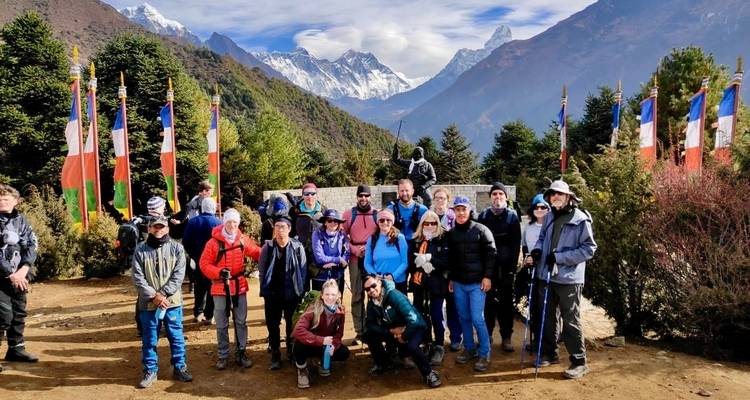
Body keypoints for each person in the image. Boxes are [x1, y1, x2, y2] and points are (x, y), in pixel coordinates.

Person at [531, 180, 597, 379]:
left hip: (569, 279)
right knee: (548, 318)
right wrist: (537, 250)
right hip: (547, 276)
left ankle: (579, 361)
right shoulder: (550, 216)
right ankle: (550, 354)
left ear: (568, 197)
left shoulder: (580, 219)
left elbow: (589, 249)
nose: (555, 197)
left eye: (560, 194)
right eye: (552, 194)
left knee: (571, 320)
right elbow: (543, 238)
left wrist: (559, 258)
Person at [131, 216, 192, 388]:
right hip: (148, 304)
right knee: (149, 338)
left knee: (176, 336)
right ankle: (150, 370)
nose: (158, 229)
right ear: (149, 228)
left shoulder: (177, 249)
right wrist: (153, 296)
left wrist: (163, 294)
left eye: (162, 226)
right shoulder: (140, 250)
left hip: (172, 303)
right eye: (155, 227)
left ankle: (180, 367)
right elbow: (137, 277)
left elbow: (179, 275)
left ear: (167, 228)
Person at [199, 208, 261, 370]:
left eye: (235, 222)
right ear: (224, 222)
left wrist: (275, 251)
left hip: (239, 285)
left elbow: (257, 252)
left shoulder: (242, 240)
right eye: (229, 221)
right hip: (220, 286)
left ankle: (241, 352)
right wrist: (219, 272)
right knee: (221, 323)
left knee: (241, 321)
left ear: (238, 223)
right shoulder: (213, 243)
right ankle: (223, 355)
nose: (232, 225)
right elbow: (204, 264)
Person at [363, 275, 442, 388]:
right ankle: (384, 363)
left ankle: (429, 373)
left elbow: (413, 320)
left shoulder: (394, 295)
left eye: (373, 285)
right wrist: (391, 331)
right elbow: (370, 324)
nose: (371, 290)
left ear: (379, 283)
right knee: (368, 335)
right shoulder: (372, 303)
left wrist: (403, 336)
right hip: (395, 331)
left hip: (415, 327)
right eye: (367, 289)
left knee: (412, 346)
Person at [448, 196, 497, 372]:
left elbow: (491, 254)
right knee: (464, 317)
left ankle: (484, 352)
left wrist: (487, 276)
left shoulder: (481, 230)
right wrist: (452, 279)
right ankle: (469, 348)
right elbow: (451, 260)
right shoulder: (452, 233)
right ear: (453, 212)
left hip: (477, 283)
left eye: (464, 209)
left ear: (469, 210)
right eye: (457, 210)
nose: (460, 213)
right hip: (459, 283)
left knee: (477, 318)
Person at [259, 214, 308, 370]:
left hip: (291, 292)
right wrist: (265, 287)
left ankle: (291, 351)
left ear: (289, 229)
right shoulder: (268, 247)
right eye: (277, 227)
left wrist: (300, 290)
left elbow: (303, 270)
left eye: (283, 227)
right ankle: (275, 353)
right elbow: (262, 270)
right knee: (272, 325)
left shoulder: (297, 247)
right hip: (272, 293)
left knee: (291, 324)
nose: (280, 230)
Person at [477, 182, 521, 353]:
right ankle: (487, 335)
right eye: (494, 194)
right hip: (488, 270)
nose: (497, 197)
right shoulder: (483, 217)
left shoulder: (512, 217)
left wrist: (511, 271)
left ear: (506, 197)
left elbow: (516, 245)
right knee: (487, 304)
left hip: (506, 269)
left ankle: (506, 337)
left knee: (506, 305)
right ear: (490, 197)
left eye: (500, 194)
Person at [0, 184, 39, 372]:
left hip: (20, 275)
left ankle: (16, 349)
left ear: (16, 201)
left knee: (18, 313)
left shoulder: (21, 220)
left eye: (6, 198)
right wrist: (10, 273)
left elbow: (31, 244)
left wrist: (24, 268)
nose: (2, 201)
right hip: (3, 277)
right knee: (3, 316)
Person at [292, 279, 350, 389]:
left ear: (338, 295)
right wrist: (321, 340)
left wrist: (334, 345)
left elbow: (339, 333)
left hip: (325, 345)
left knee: (344, 352)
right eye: (327, 294)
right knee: (299, 345)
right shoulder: (313, 309)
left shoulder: (340, 311)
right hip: (310, 344)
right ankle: (302, 369)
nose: (330, 297)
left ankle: (322, 361)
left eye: (333, 294)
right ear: (322, 295)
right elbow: (298, 331)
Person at [410, 211, 451, 365]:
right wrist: (418, 264)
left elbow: (447, 261)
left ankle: (439, 345)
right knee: (420, 314)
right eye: (426, 223)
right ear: (422, 224)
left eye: (433, 223)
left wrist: (431, 261)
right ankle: (426, 342)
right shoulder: (416, 240)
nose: (429, 226)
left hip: (437, 284)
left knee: (436, 314)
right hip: (420, 284)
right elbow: (410, 262)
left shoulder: (443, 238)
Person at [342, 184, 379, 345]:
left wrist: (370, 249)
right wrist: (354, 249)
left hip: (372, 259)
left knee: (375, 293)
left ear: (370, 197)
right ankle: (360, 330)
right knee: (357, 295)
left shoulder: (378, 215)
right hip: (355, 258)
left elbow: (382, 234)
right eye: (360, 196)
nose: (363, 199)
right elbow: (342, 236)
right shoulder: (349, 214)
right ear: (357, 197)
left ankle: (375, 329)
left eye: (366, 196)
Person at [429, 187, 462, 351]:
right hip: (435, 271)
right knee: (436, 309)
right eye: (437, 198)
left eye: (443, 198)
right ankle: (440, 338)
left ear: (448, 201)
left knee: (453, 306)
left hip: (452, 270)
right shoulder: (429, 217)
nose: (440, 201)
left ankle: (456, 338)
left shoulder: (453, 218)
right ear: (433, 200)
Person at [517, 194, 549, 350]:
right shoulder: (528, 227)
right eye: (537, 207)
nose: (540, 209)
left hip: (547, 271)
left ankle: (548, 342)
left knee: (546, 309)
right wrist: (528, 258)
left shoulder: (551, 226)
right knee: (534, 307)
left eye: (543, 207)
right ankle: (536, 340)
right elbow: (525, 247)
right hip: (532, 271)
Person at [182, 197, 221, 324]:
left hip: (197, 259)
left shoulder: (193, 222)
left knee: (199, 287)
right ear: (214, 208)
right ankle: (209, 315)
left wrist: (193, 255)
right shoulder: (218, 223)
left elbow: (186, 241)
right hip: (214, 262)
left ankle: (198, 312)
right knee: (212, 287)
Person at [363, 209, 408, 294]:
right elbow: (367, 263)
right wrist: (375, 275)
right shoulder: (372, 239)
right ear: (378, 222)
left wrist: (393, 276)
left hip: (398, 282)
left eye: (388, 220)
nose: (385, 222)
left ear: (392, 222)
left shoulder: (400, 238)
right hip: (379, 283)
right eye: (382, 220)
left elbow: (405, 262)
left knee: (399, 307)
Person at [290, 183, 327, 288]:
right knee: (301, 285)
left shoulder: (324, 210)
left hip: (318, 253)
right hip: (300, 253)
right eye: (306, 194)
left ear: (316, 195)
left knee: (319, 286)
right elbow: (290, 232)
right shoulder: (294, 211)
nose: (309, 197)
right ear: (302, 195)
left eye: (312, 193)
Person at [311, 209, 350, 291]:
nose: (333, 223)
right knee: (319, 301)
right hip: (321, 276)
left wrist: (335, 264)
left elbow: (346, 253)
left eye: (336, 221)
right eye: (329, 221)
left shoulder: (342, 234)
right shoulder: (317, 234)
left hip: (338, 275)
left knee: (337, 300)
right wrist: (338, 259)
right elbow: (320, 258)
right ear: (325, 222)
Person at [387, 179, 428, 248]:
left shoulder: (422, 210)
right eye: (402, 191)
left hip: (416, 247)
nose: (404, 193)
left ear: (412, 191)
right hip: (396, 246)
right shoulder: (390, 209)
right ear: (398, 192)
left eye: (407, 190)